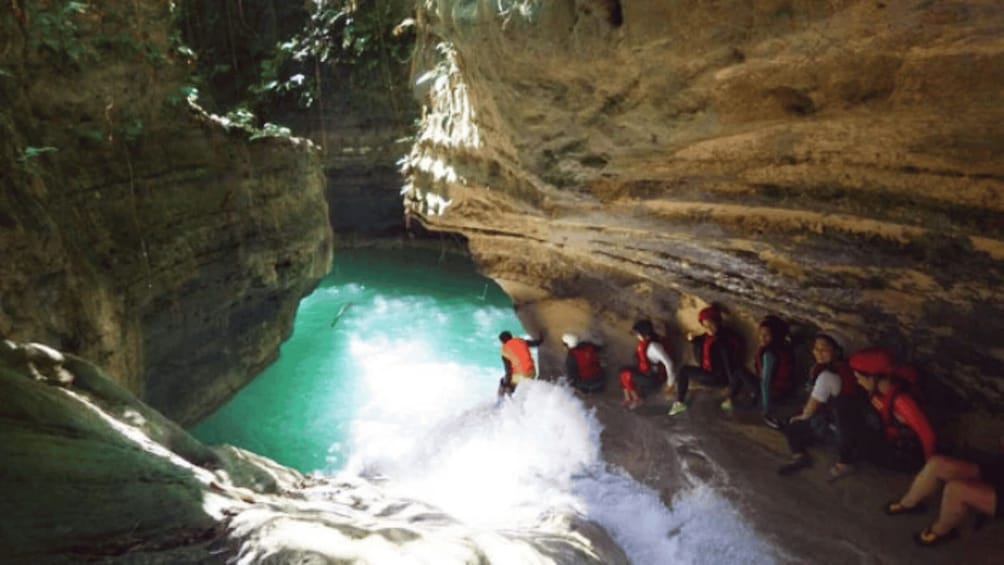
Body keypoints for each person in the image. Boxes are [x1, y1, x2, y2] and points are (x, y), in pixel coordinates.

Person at [885, 439, 1004, 547]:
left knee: (956, 490)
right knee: (937, 464)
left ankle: (941, 531)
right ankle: (908, 503)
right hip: (998, 470)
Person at [777, 334, 860, 478]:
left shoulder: (831, 374)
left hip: (838, 430)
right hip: (835, 425)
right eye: (816, 348)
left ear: (837, 351)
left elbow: (810, 409)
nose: (819, 352)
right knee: (792, 423)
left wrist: (801, 417)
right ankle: (801, 456)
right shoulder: (832, 368)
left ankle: (840, 462)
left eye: (825, 349)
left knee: (794, 424)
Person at [848, 346, 936, 475]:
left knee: (860, 445)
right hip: (891, 437)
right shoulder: (881, 391)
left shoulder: (901, 401)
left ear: (872, 378)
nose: (858, 382)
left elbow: (929, 436)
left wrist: (929, 470)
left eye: (858, 378)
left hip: (907, 451)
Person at [679, 306, 756, 412]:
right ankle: (679, 402)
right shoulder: (707, 336)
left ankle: (731, 397)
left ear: (718, 322)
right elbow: (699, 340)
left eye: (711, 324)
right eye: (705, 325)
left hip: (718, 377)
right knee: (684, 370)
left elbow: (728, 361)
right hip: (707, 373)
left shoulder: (723, 339)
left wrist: (730, 384)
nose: (708, 328)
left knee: (685, 371)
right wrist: (691, 339)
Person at [619, 320, 683, 414]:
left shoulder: (654, 346)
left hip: (652, 378)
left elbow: (669, 363)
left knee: (625, 375)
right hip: (645, 373)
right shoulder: (645, 343)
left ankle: (637, 399)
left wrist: (670, 383)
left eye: (638, 333)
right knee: (622, 371)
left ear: (644, 334)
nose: (637, 336)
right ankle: (628, 398)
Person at [755, 315, 795, 429]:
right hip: (786, 389)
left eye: (766, 335)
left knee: (740, 373)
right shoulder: (783, 346)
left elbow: (765, 382)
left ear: (775, 336)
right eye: (761, 334)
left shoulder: (769, 354)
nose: (762, 338)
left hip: (775, 392)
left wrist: (765, 408)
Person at [498, 330, 543, 396]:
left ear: (502, 342)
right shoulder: (521, 341)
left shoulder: (505, 350)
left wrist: (506, 384)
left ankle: (501, 403)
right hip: (532, 373)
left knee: (504, 384)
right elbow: (537, 343)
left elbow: (508, 371)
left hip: (520, 376)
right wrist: (541, 337)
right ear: (511, 337)